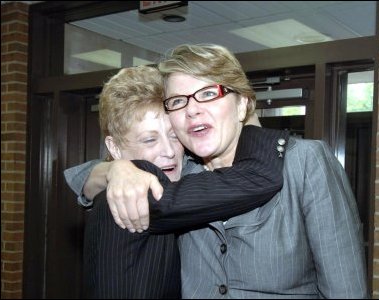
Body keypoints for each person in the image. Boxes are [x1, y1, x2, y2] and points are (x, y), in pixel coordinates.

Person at [67, 44, 368, 298]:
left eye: (208, 94)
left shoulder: (304, 162)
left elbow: (345, 288)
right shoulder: (178, 173)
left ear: (242, 106)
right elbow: (91, 182)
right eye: (178, 101)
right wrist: (115, 169)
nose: (192, 109)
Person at [65, 65, 287, 298]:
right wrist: (247, 112)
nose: (169, 151)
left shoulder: (174, 174)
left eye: (174, 135)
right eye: (150, 140)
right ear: (114, 147)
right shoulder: (137, 193)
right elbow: (255, 176)